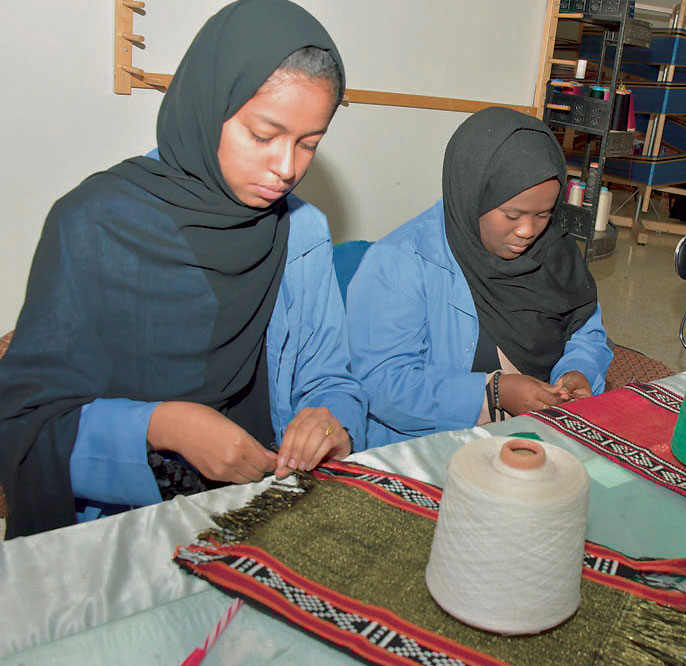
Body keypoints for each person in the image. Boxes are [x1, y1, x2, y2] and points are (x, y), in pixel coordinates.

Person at [0, 0, 366, 538]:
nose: (287, 167)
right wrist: (162, 426)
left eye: (309, 143)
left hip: (264, 506)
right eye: (263, 136)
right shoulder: (95, 223)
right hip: (123, 527)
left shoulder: (302, 232)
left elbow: (331, 379)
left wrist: (331, 419)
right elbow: (23, 427)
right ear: (207, 106)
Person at [346, 107, 612, 446]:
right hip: (430, 445)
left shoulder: (555, 253)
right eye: (512, 215)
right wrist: (491, 393)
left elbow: (586, 331)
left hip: (535, 435)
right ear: (472, 195)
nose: (528, 230)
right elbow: (382, 383)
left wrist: (577, 371)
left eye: (544, 214)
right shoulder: (401, 263)